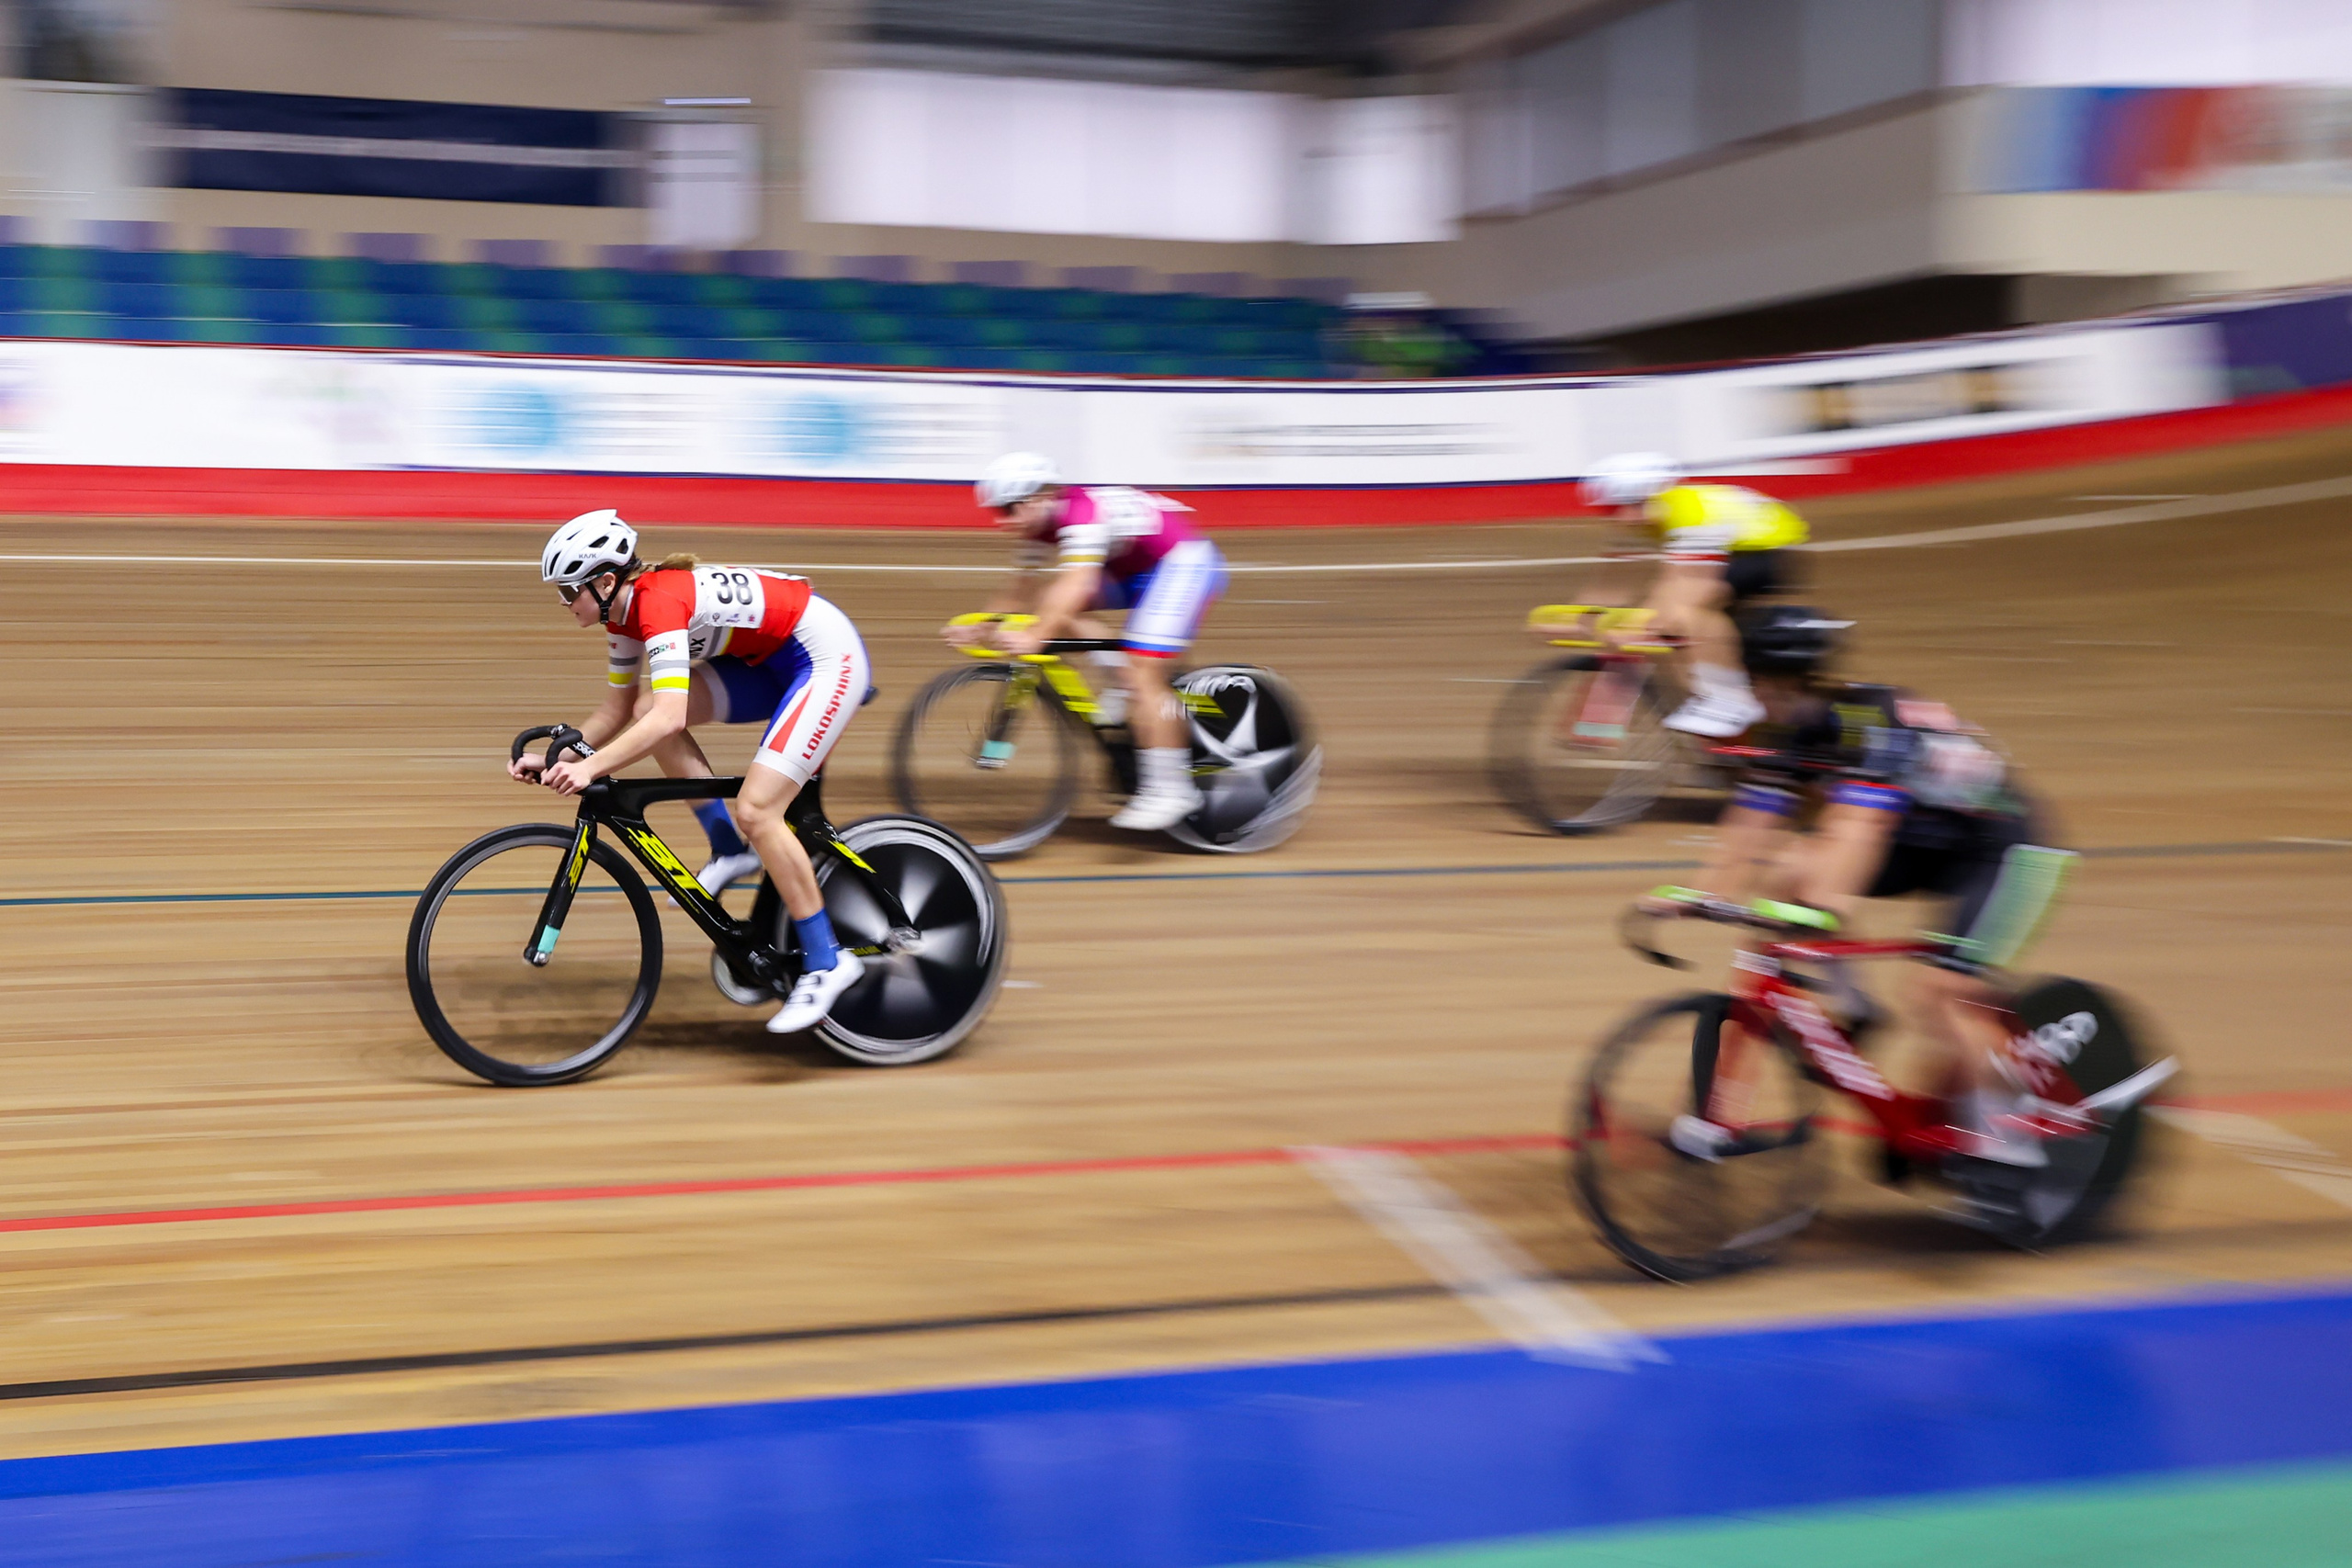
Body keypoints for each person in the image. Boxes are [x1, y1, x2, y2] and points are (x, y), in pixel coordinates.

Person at [1645, 606, 2078, 1168]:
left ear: (1774, 680)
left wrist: (1826, 909)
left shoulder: (1867, 720)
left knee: (1938, 995)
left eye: (1750, 682)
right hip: (1932, 844)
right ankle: (1859, 1009)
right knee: (1791, 871)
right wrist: (1696, 895)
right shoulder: (1787, 728)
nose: (1747, 697)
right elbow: (1748, 829)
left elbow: (1861, 826)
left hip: (2008, 851)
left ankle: (2005, 1137)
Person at [518, 509, 872, 1035]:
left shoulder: (657, 602)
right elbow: (618, 711)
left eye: (571, 591)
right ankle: (729, 847)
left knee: (759, 808)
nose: (566, 603)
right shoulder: (623, 617)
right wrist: (562, 758)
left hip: (822, 658)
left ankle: (829, 962)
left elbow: (671, 717)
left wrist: (592, 766)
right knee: (642, 710)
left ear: (606, 580)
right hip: (765, 662)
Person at [955, 452, 1227, 832]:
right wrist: (984, 623)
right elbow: (1022, 589)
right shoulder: (1040, 524)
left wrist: (1035, 635)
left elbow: (1077, 582)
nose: (1004, 522)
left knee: (1143, 671)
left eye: (1010, 509)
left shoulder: (1080, 513)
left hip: (1181, 564)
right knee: (1058, 611)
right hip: (1136, 568)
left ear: (1037, 499)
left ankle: (1172, 789)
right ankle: (1123, 684)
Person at [1580, 453, 1810, 739]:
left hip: (1763, 552)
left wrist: (1637, 623)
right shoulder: (1651, 515)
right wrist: (1586, 613)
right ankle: (1716, 691)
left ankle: (1731, 701)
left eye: (1614, 509)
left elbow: (1693, 585)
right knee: (1664, 624)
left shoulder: (1688, 511)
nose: (1613, 519)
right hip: (1732, 548)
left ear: (1638, 500)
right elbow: (1628, 577)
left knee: (1688, 613)